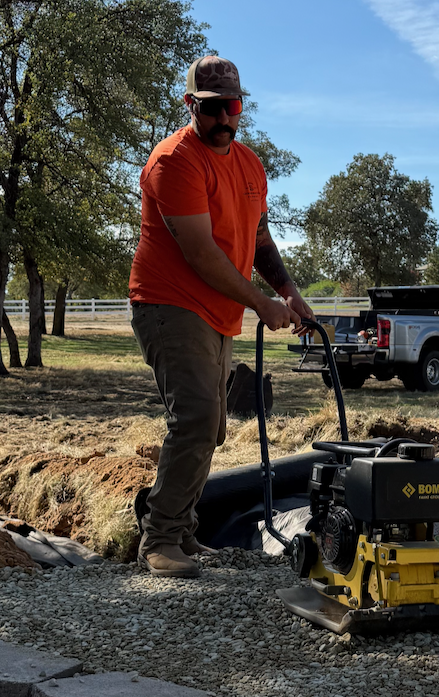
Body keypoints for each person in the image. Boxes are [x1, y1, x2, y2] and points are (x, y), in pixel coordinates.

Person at [129, 54, 312, 578]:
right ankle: (160, 539)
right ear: (191, 105)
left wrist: (288, 291)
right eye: (211, 109)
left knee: (212, 429)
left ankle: (184, 533)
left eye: (232, 107)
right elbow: (201, 253)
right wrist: (261, 304)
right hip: (169, 303)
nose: (223, 119)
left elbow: (259, 238)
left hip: (217, 311)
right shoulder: (174, 161)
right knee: (195, 418)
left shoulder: (250, 164)